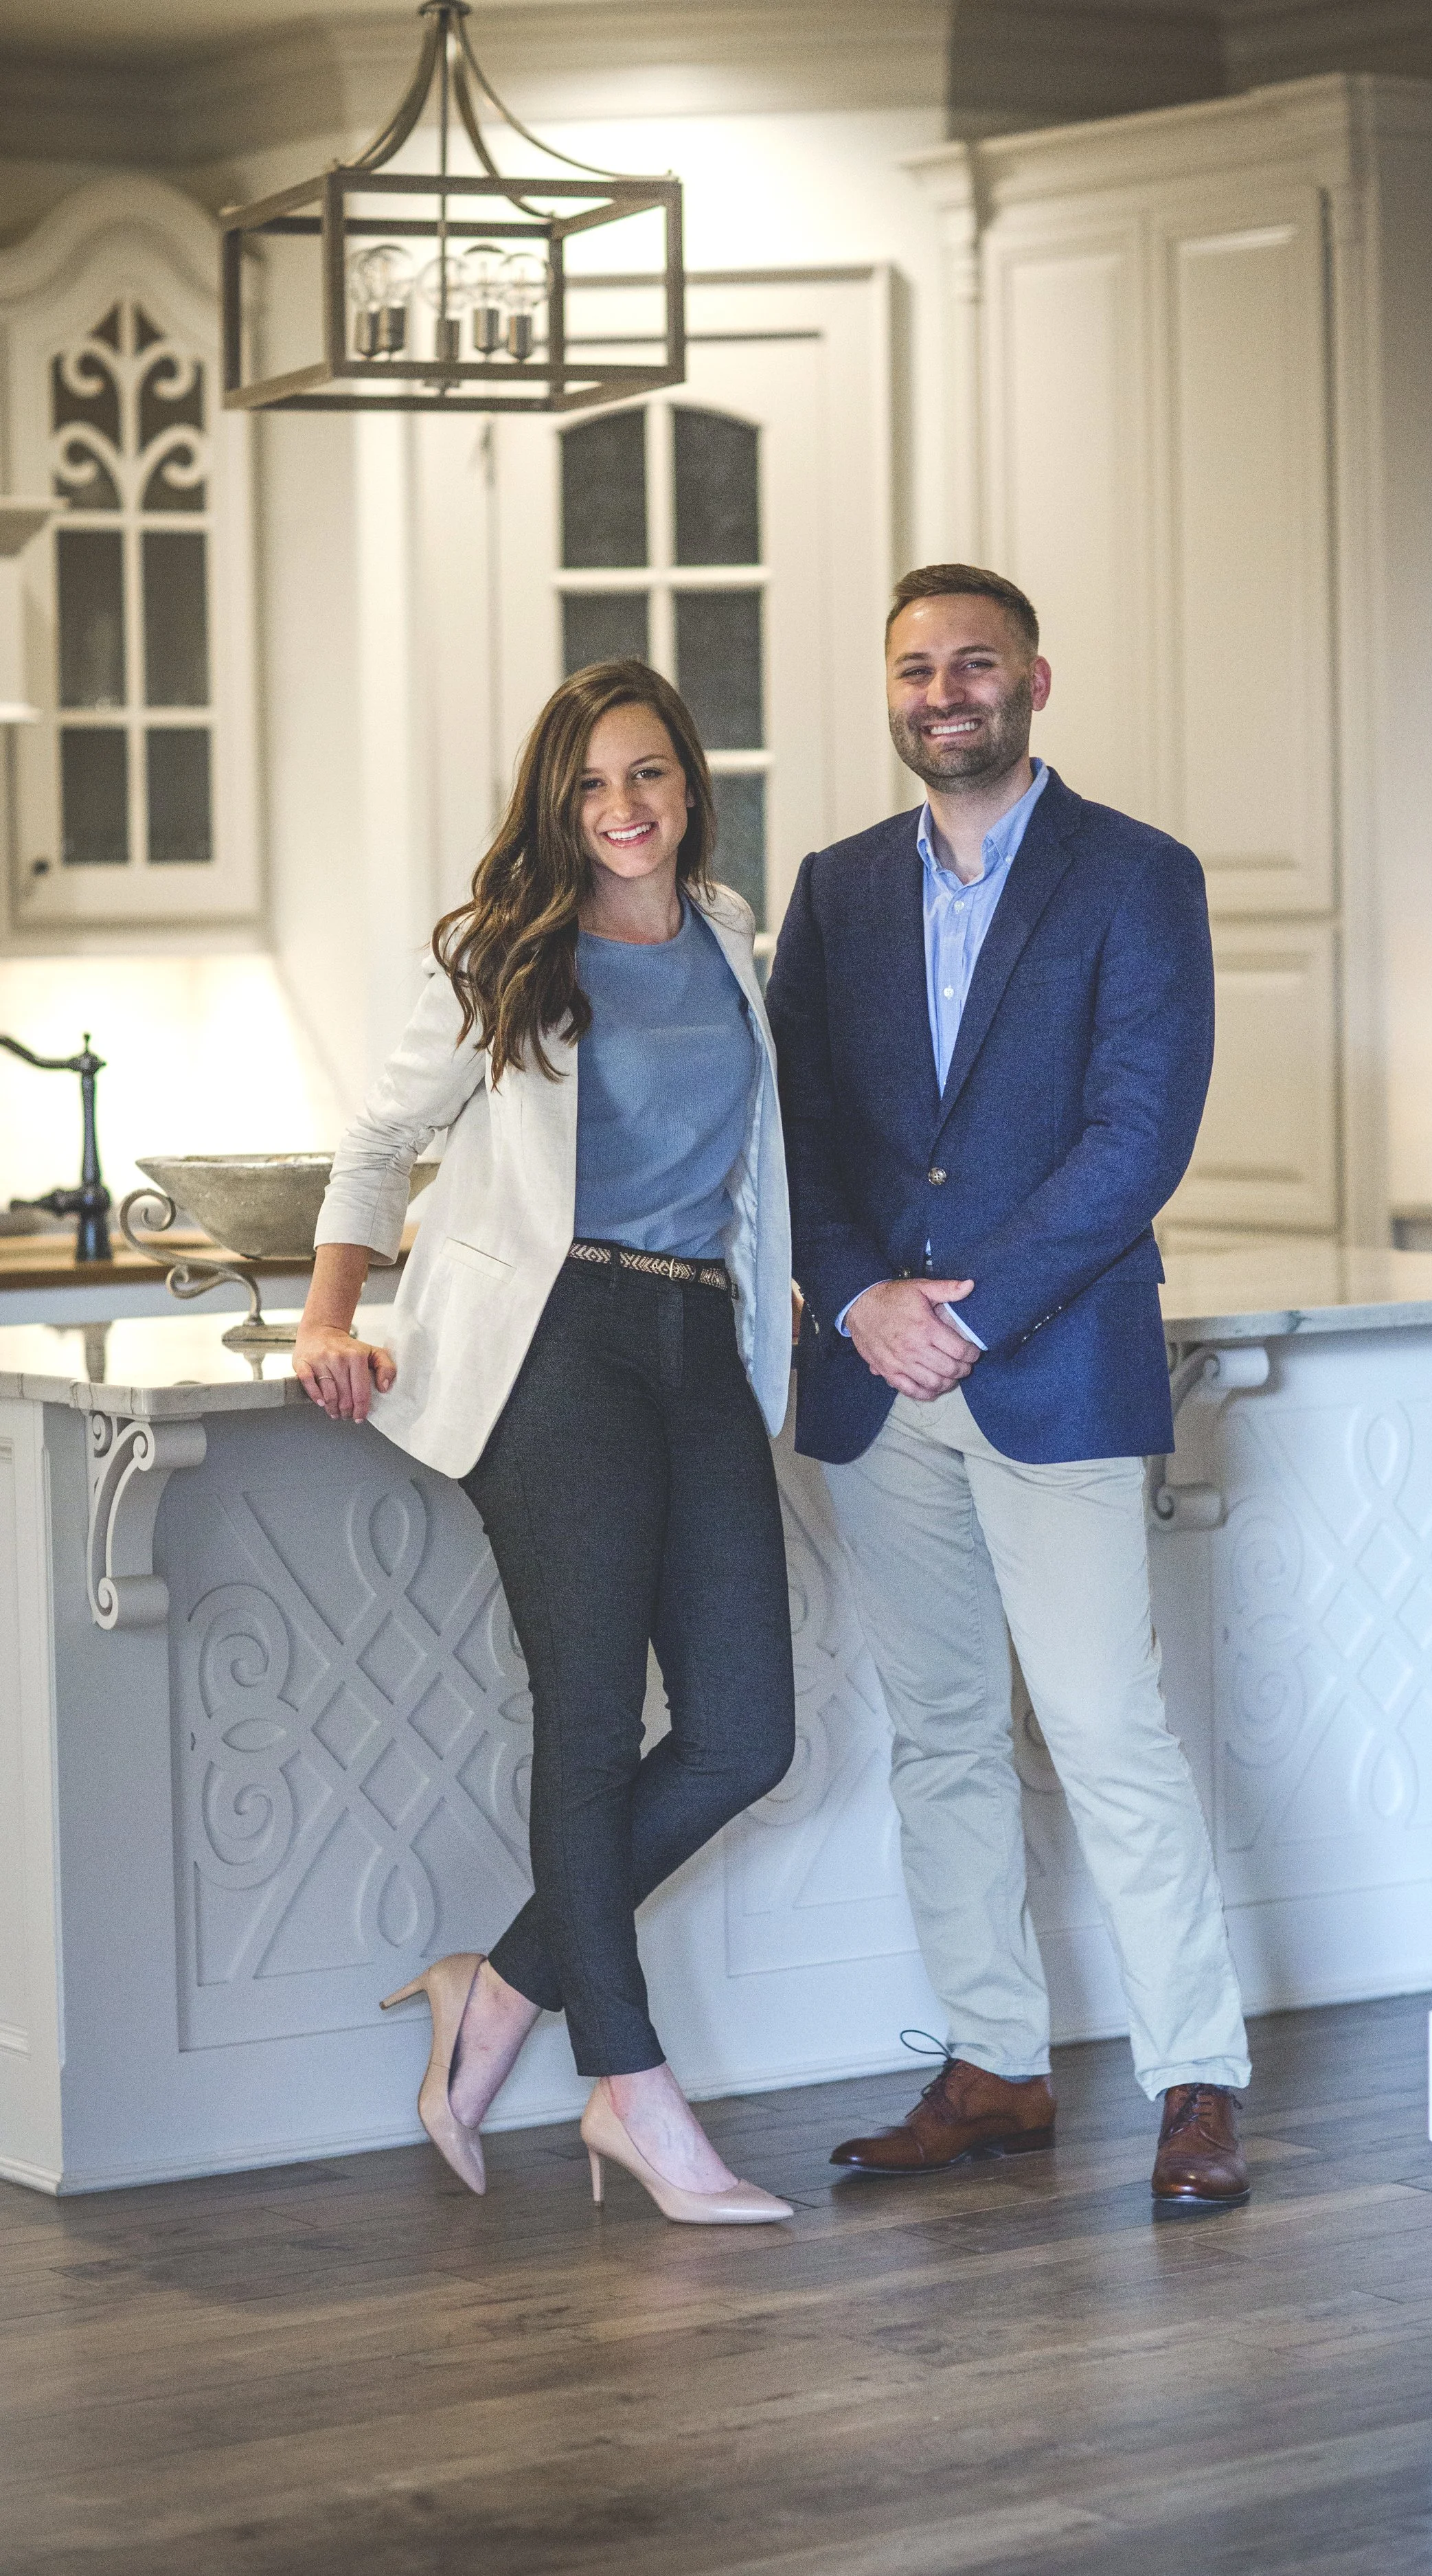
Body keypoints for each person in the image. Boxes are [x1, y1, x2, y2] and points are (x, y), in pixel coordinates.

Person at [766, 564, 1252, 2205]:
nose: (941, 693)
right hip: (871, 1387)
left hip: (1047, 1371)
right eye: (913, 669)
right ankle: (991, 2072)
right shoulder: (830, 893)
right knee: (943, 1736)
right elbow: (801, 1136)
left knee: (1111, 1731)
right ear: (889, 691)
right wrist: (854, 1299)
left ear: (1035, 681)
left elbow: (1137, 1137)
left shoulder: (1136, 876)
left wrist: (963, 1317)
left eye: (973, 664)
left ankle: (1195, 2081)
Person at [295, 659, 796, 2226]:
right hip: (550, 1354)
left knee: (744, 1734)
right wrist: (328, 1317)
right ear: (552, 805)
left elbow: (757, 1169)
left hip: (696, 1340)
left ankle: (496, 1991)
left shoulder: (730, 938)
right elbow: (378, 1146)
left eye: (646, 775)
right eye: (589, 786)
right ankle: (635, 2095)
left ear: (686, 785)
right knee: (586, 1726)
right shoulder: (511, 959)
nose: (623, 809)